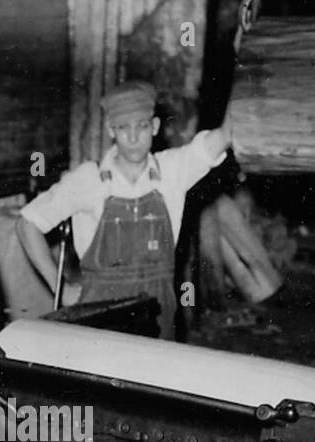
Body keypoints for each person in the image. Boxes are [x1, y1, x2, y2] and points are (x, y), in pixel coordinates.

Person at [17, 80, 232, 340]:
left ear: (154, 127)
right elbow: (27, 224)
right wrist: (59, 287)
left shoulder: (174, 170)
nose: (132, 138)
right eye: (123, 128)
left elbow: (222, 136)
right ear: (110, 129)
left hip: (158, 307)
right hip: (99, 310)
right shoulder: (89, 179)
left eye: (141, 126)